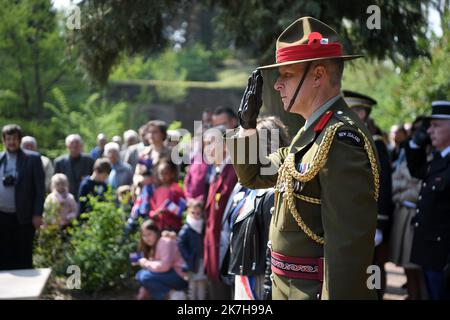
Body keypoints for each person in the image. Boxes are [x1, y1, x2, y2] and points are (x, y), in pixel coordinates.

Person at [226, 17, 379, 299]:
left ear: (318, 75)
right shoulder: (310, 134)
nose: (277, 85)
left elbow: (346, 250)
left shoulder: (341, 139)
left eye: (287, 75)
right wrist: (247, 129)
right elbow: (252, 175)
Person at [226, 116, 290, 300]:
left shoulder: (273, 192)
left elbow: (275, 246)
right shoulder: (243, 187)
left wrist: (270, 287)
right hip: (243, 273)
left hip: (260, 279)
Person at [343, 90, 394, 298]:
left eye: (349, 110)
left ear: (362, 114)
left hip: (370, 221)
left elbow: (384, 185)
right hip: (353, 221)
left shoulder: (375, 142)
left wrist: (379, 224)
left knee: (372, 269)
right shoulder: (355, 138)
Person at [405, 100, 450, 300]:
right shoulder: (439, 159)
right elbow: (417, 170)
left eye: (436, 125)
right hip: (430, 252)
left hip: (444, 255)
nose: (430, 131)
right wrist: (415, 143)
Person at [389, 117, 428, 300]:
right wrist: (401, 193)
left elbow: (420, 188)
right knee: (405, 264)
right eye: (415, 130)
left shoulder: (431, 155)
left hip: (415, 215)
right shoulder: (407, 152)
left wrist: (403, 193)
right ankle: (413, 295)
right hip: (402, 214)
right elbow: (395, 180)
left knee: (418, 267)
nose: (419, 134)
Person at [0, 124, 45, 270]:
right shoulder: (1, 159)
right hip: (2, 216)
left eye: (14, 138)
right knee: (4, 255)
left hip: (24, 216)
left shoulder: (32, 158)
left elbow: (40, 189)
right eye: (8, 139)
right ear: (3, 141)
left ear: (19, 140)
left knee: (23, 256)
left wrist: (38, 214)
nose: (11, 142)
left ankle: (26, 290)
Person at [203, 125, 237, 299]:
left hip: (226, 254)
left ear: (225, 145)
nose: (206, 148)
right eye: (205, 143)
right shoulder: (216, 171)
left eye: (211, 142)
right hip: (213, 251)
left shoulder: (235, 171)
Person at [135, 219, 188, 300]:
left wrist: (146, 263)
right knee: (141, 275)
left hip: (180, 276)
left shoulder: (164, 242)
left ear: (156, 232)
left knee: (144, 275)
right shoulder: (153, 246)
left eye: (149, 234)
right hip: (170, 275)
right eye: (144, 235)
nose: (146, 238)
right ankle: (171, 294)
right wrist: (141, 295)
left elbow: (165, 266)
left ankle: (173, 295)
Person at [177, 199, 207, 300]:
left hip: (201, 259)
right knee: (193, 284)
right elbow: (180, 242)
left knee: (202, 283)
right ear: (189, 212)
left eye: (198, 213)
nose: (195, 215)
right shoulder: (187, 227)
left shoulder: (203, 225)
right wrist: (187, 256)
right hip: (192, 260)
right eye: (193, 212)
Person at [54, 134, 95, 200]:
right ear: (67, 146)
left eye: (77, 143)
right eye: (72, 143)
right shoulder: (59, 162)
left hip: (86, 198)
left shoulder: (89, 160)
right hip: (65, 200)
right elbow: (55, 183)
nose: (74, 145)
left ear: (81, 145)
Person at [149, 160, 185, 232]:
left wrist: (169, 210)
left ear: (172, 174)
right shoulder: (157, 191)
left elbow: (182, 210)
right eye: (161, 173)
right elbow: (152, 209)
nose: (163, 176)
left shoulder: (177, 190)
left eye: (166, 173)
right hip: (159, 227)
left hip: (174, 228)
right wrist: (154, 214)